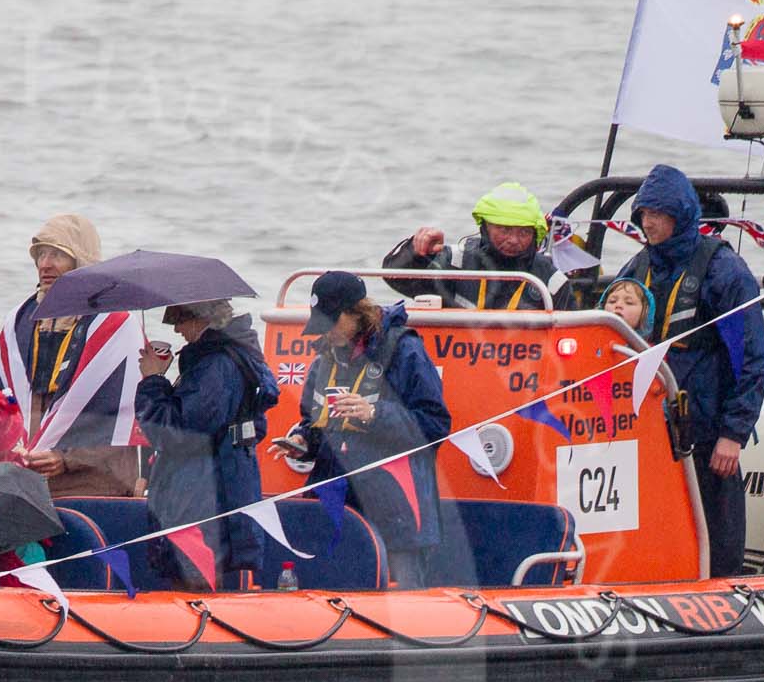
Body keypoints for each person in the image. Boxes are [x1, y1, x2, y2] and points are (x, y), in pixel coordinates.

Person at [613, 164, 764, 578]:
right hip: (646, 433)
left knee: (719, 538)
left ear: (681, 215)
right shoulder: (637, 266)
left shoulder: (724, 271)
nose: (650, 223)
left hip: (706, 434)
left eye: (659, 215)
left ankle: (723, 602)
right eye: (644, 214)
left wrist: (733, 434)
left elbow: (752, 358)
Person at [287, 272, 451, 588]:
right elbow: (314, 421)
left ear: (356, 313)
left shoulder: (405, 350)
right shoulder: (324, 360)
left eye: (331, 324)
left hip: (395, 509)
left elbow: (435, 425)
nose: (326, 333)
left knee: (405, 598)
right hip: (334, 502)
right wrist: (301, 440)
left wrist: (374, 415)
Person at [0, 213, 144, 497]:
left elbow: (123, 416)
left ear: (81, 260)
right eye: (40, 254)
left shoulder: (116, 325)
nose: (45, 264)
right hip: (30, 478)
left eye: (57, 254)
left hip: (96, 482)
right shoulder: (21, 321)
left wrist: (67, 458)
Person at [133, 299, 279, 591]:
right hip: (224, 488)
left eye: (179, 319)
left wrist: (152, 381)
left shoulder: (215, 366)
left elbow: (176, 434)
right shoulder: (238, 357)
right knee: (210, 578)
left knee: (194, 584)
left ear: (201, 319)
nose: (176, 327)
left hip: (200, 499)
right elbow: (253, 426)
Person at [382, 182, 573, 311]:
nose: (514, 240)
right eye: (504, 229)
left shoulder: (551, 281)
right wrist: (417, 252)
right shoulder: (455, 263)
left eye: (524, 232)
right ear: (484, 228)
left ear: (536, 234)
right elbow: (394, 278)